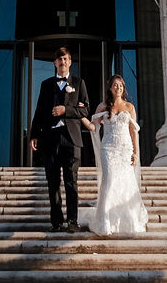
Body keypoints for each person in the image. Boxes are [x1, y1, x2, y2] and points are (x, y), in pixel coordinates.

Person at [80, 73, 150, 236]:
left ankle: (127, 221)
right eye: (115, 85)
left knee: (126, 184)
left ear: (123, 88)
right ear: (110, 88)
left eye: (120, 85)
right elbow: (93, 127)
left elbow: (134, 132)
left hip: (125, 149)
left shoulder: (129, 107)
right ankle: (105, 222)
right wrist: (80, 116)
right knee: (109, 181)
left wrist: (135, 153)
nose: (118, 88)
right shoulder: (103, 107)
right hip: (109, 149)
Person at [29, 46, 89, 232]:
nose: (62, 62)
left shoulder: (79, 83)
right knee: (53, 182)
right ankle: (56, 222)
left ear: (70, 62)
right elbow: (39, 111)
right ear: (54, 63)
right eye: (59, 60)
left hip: (72, 140)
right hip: (50, 139)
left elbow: (85, 110)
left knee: (71, 182)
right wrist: (34, 134)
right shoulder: (46, 85)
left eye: (65, 59)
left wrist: (66, 110)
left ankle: (73, 221)